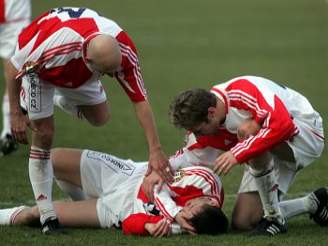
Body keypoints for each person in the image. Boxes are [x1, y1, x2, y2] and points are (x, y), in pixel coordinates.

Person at [6, 7, 170, 234]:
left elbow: (140, 100)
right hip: (40, 72)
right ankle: (47, 216)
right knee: (44, 133)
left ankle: (60, 98)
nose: (112, 76)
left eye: (113, 71)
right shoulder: (51, 47)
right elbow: (13, 65)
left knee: (100, 117)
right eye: (106, 72)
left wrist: (155, 149)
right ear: (89, 58)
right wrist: (15, 112)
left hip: (79, 72)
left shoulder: (123, 50)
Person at [169, 75, 326, 235]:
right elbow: (187, 166)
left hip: (305, 133)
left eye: (199, 130)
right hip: (268, 145)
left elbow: (283, 125)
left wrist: (237, 152)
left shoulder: (242, 90)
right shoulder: (204, 130)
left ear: (211, 113)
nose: (197, 136)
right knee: (244, 221)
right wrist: (161, 174)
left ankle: (274, 219)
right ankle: (313, 203)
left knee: (248, 131)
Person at [0, 147, 228, 236]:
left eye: (187, 214)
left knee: (37, 214)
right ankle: (79, 196)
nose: (185, 208)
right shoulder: (205, 181)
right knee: (51, 159)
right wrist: (174, 213)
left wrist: (148, 226)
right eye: (191, 206)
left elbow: (130, 222)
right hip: (127, 176)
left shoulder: (186, 226)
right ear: (209, 201)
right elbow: (157, 185)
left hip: (115, 211)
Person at [0, 0, 31, 155]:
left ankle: (7, 133)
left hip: (14, 17)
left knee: (14, 72)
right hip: (14, 17)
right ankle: (8, 133)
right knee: (15, 72)